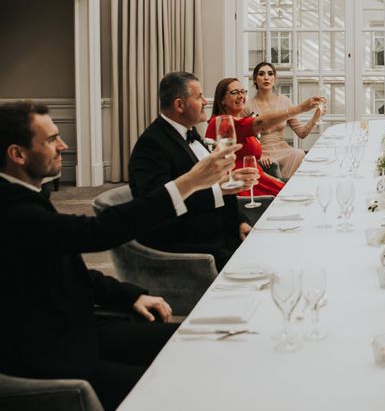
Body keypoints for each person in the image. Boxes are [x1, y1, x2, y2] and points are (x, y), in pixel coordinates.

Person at [0, 101, 243, 411]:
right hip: (52, 351)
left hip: (82, 326)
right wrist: (188, 183)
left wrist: (129, 295)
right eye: (50, 139)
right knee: (177, 385)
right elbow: (99, 231)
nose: (64, 145)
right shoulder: (12, 211)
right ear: (17, 154)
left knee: (196, 340)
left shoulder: (26, 196)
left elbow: (66, 267)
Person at [129, 71, 261, 269]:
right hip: (191, 245)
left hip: (220, 233)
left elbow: (213, 186)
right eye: (199, 96)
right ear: (179, 105)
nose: (206, 101)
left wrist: (239, 222)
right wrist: (221, 189)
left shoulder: (190, 133)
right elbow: (159, 205)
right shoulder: (152, 145)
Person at [205, 76, 303, 197]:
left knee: (301, 192)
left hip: (258, 181)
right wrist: (300, 109)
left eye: (243, 92)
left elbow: (255, 164)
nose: (241, 96)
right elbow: (260, 123)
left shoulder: (240, 120)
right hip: (244, 189)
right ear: (222, 100)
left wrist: (275, 179)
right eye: (234, 92)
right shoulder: (220, 123)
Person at [245, 62, 325, 179]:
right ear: (255, 80)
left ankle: (284, 187)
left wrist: (316, 117)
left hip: (282, 149)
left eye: (270, 74)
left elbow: (302, 133)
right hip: (263, 152)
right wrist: (258, 155)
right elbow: (244, 139)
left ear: (275, 79)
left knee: (299, 154)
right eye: (261, 74)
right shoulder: (248, 106)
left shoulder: (284, 101)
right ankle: (281, 187)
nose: (266, 77)